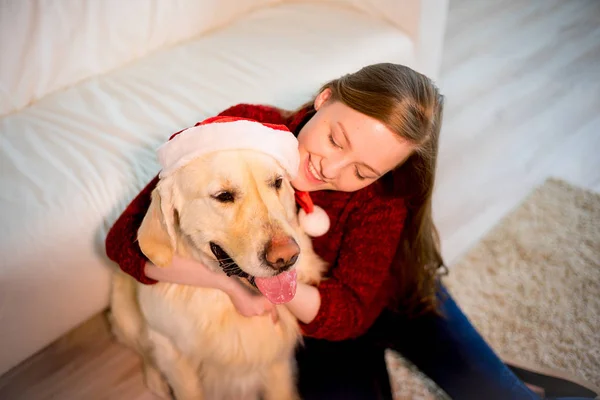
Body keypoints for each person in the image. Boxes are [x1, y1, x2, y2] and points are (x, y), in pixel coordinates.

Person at [105, 63, 596, 400]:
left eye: (363, 171)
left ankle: (511, 380)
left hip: (391, 296)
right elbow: (127, 240)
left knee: (495, 394)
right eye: (336, 137)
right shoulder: (246, 130)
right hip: (322, 320)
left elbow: (352, 311)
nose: (331, 168)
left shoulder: (385, 196)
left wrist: (273, 286)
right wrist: (234, 281)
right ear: (326, 97)